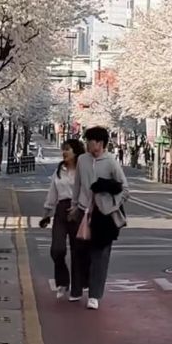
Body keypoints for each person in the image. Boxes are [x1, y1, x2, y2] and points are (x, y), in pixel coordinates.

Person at [70, 125, 129, 310]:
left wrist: (111, 204)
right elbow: (77, 185)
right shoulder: (82, 160)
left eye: (90, 141)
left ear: (100, 143)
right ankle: (78, 287)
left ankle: (95, 295)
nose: (87, 144)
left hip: (103, 215)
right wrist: (74, 206)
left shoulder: (111, 162)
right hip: (82, 210)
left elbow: (125, 189)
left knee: (100, 255)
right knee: (80, 252)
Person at [39, 138, 86, 301]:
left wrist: (80, 207)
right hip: (61, 210)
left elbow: (87, 191)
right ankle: (63, 281)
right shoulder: (59, 170)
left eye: (68, 149)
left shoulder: (82, 170)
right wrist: (46, 213)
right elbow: (52, 192)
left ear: (76, 152)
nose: (64, 152)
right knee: (57, 249)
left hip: (78, 210)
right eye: (63, 149)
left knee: (77, 251)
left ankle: (77, 289)